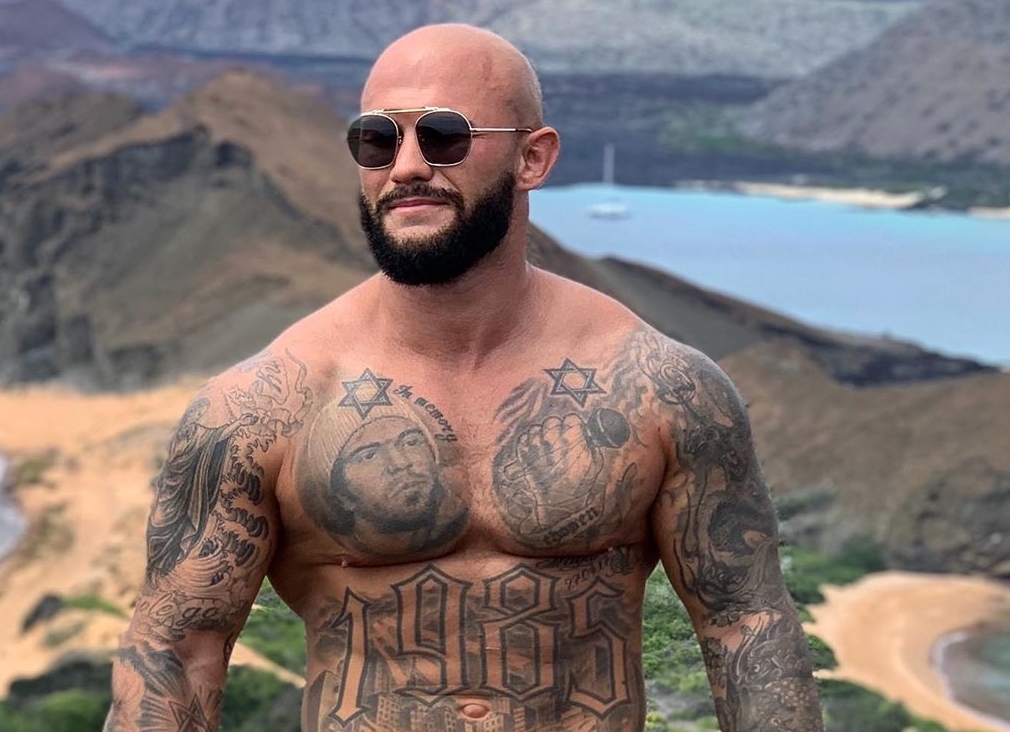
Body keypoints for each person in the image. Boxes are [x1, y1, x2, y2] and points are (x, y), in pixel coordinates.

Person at [104, 22, 824, 732]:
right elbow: (177, 654)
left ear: (532, 158)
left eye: (443, 136)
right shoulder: (263, 407)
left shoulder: (660, 387)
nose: (406, 167)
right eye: (377, 141)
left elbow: (746, 629)